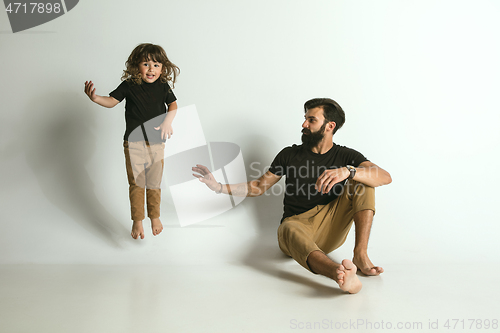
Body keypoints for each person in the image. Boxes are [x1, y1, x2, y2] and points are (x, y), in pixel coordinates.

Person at [192, 98, 391, 294]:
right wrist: (218, 186)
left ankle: (360, 255)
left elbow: (385, 177)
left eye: (311, 120)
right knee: (288, 227)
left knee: (364, 181)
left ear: (330, 126)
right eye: (305, 118)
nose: (304, 124)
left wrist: (348, 171)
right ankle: (339, 274)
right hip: (296, 226)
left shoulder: (346, 156)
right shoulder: (289, 154)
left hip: (329, 226)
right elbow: (258, 186)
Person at [84, 43, 179, 240]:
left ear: (163, 68)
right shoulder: (129, 85)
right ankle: (137, 219)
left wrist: (167, 122)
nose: (151, 69)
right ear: (136, 66)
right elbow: (111, 101)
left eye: (156, 65)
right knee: (137, 183)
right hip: (133, 142)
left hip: (156, 143)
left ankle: (155, 216)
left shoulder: (163, 86)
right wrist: (95, 98)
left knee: (154, 182)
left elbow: (173, 104)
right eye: (146, 64)